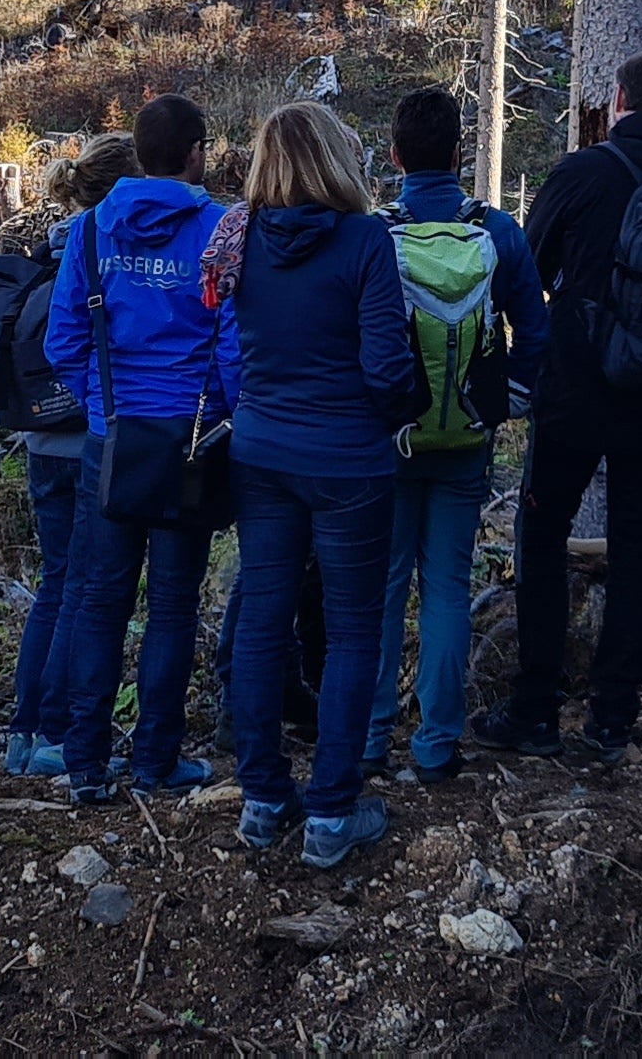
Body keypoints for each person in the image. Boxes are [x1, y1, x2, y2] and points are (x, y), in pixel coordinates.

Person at [475, 52, 642, 765]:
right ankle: (613, 717)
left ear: (617, 102)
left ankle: (537, 708)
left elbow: (529, 270)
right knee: (635, 547)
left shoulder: (583, 172)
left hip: (576, 392)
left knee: (542, 538)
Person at [217, 104, 418, 868]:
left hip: (261, 453)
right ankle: (333, 808)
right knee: (352, 630)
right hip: (349, 463)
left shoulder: (240, 236)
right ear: (338, 157)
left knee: (264, 623)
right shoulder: (365, 239)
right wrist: (394, 413)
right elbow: (387, 367)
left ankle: (264, 798)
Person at [47, 97, 229, 804]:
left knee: (99, 601)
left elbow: (62, 341)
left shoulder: (92, 231)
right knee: (174, 606)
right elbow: (236, 343)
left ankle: (86, 764)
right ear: (194, 152)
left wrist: (102, 402)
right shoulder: (217, 229)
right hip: (189, 442)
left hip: (112, 440)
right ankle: (156, 761)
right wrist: (217, 409)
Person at [367, 88, 545, 784]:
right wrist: (512, 401)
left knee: (381, 588)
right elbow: (535, 329)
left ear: (393, 156)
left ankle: (372, 737)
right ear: (460, 154)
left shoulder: (375, 234)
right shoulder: (499, 232)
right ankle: (438, 743)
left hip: (390, 438)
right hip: (467, 437)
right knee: (445, 587)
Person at [0, 133, 141, 780]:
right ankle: (55, 730)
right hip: (88, 440)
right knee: (84, 587)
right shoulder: (108, 245)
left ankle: (23, 732)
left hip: (39, 439)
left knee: (55, 585)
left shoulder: (53, 245)